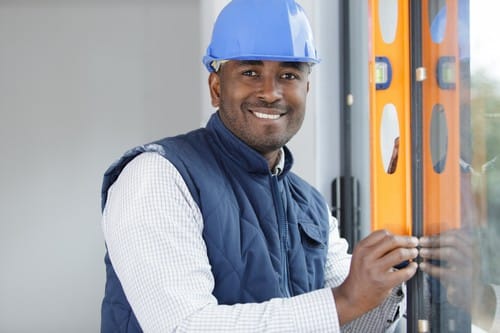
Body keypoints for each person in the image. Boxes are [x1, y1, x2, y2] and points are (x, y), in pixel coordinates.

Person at [99, 0, 419, 331]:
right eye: (250, 72)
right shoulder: (158, 176)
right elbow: (185, 326)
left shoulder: (311, 205)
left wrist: (401, 267)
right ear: (216, 87)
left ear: (306, 90)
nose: (270, 92)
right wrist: (347, 299)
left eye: (289, 74)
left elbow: (347, 320)